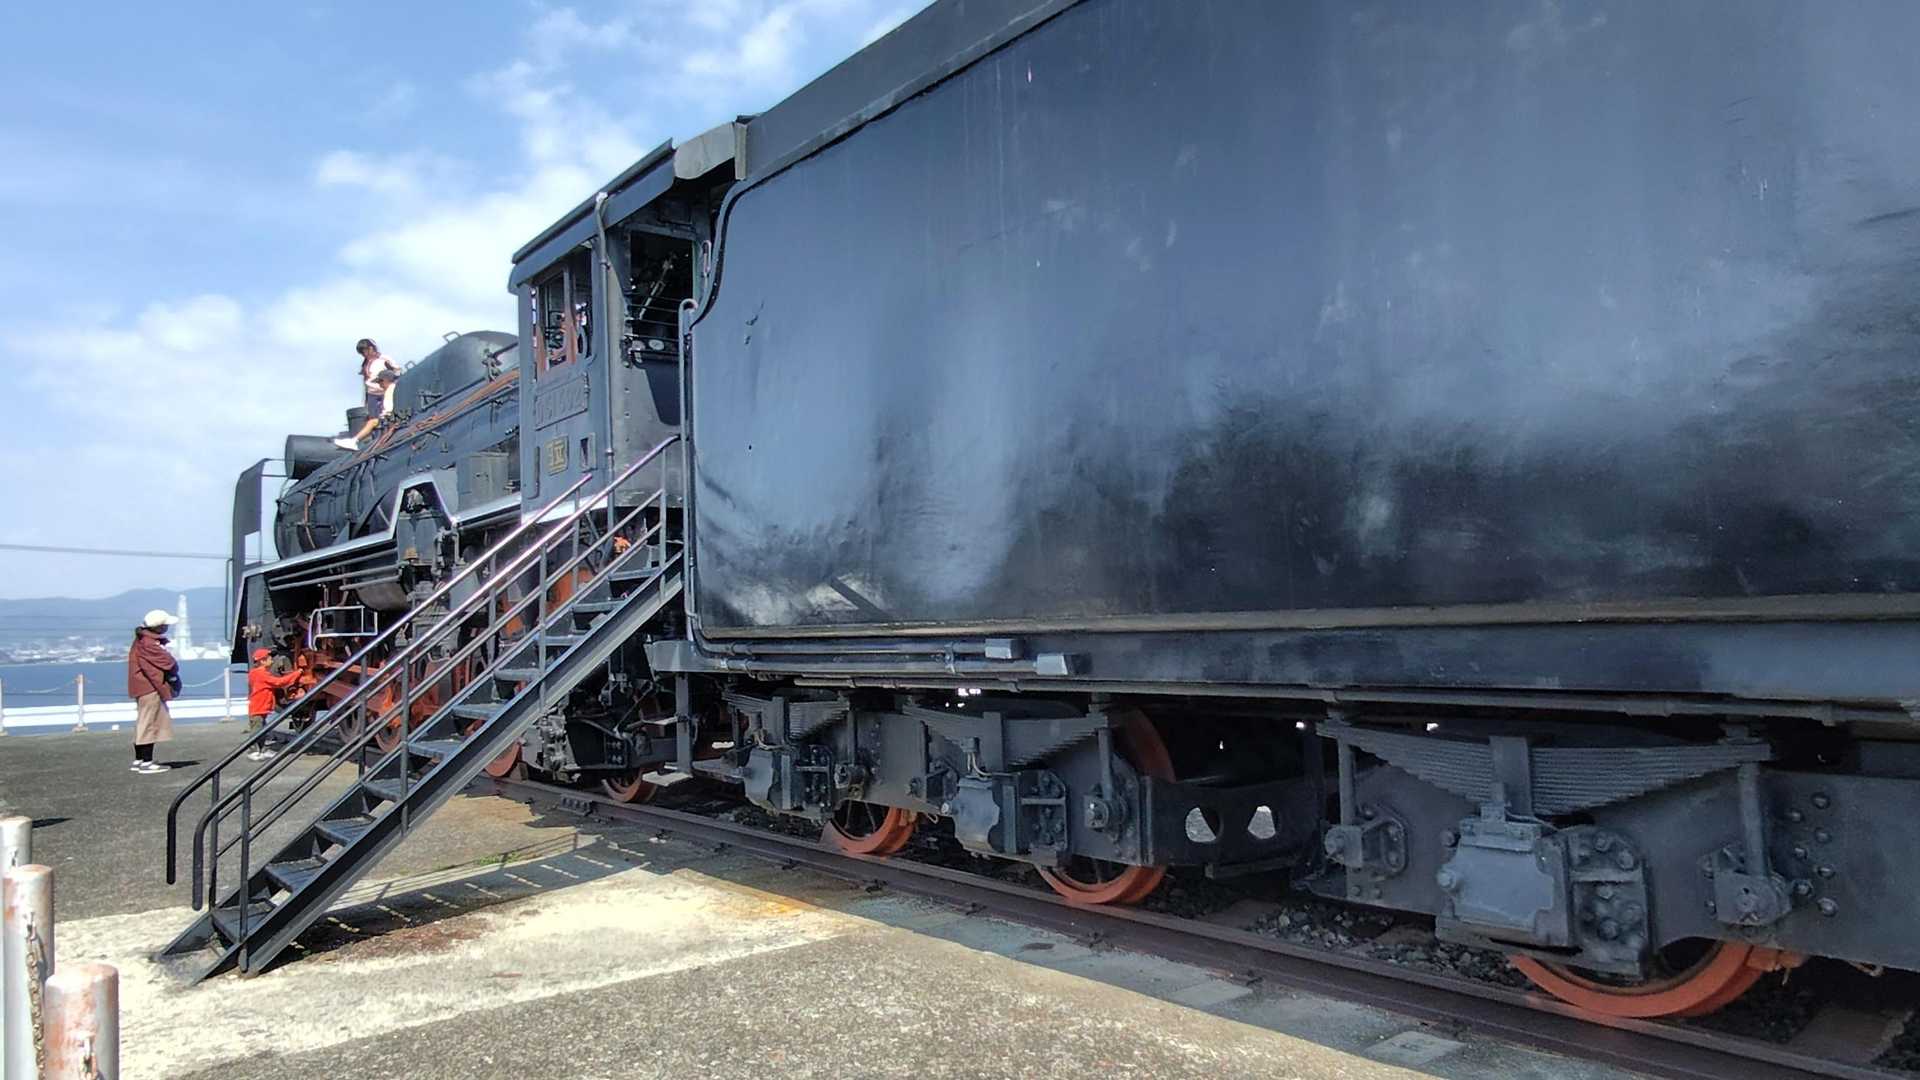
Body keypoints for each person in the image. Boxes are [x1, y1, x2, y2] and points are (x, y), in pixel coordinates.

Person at [127, 609, 180, 774]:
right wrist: (172, 678)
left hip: (142, 687)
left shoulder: (141, 640)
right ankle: (146, 762)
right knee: (149, 724)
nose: (166, 628)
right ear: (158, 627)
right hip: (150, 688)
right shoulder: (149, 644)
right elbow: (168, 663)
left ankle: (139, 759)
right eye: (165, 625)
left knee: (143, 722)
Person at [333, 338, 403, 451]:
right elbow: (365, 383)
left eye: (364, 351)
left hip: (383, 392)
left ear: (371, 348)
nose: (363, 354)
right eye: (361, 353)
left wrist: (391, 384)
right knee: (373, 419)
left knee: (379, 418)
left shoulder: (384, 359)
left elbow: (397, 371)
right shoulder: (365, 364)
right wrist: (365, 401)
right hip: (372, 395)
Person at [245, 648, 301, 762]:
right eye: (269, 658)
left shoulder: (255, 673)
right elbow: (279, 682)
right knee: (256, 730)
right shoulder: (261, 674)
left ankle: (261, 750)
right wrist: (297, 673)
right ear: (262, 661)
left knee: (261, 729)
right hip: (259, 707)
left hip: (259, 707)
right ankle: (253, 751)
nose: (272, 659)